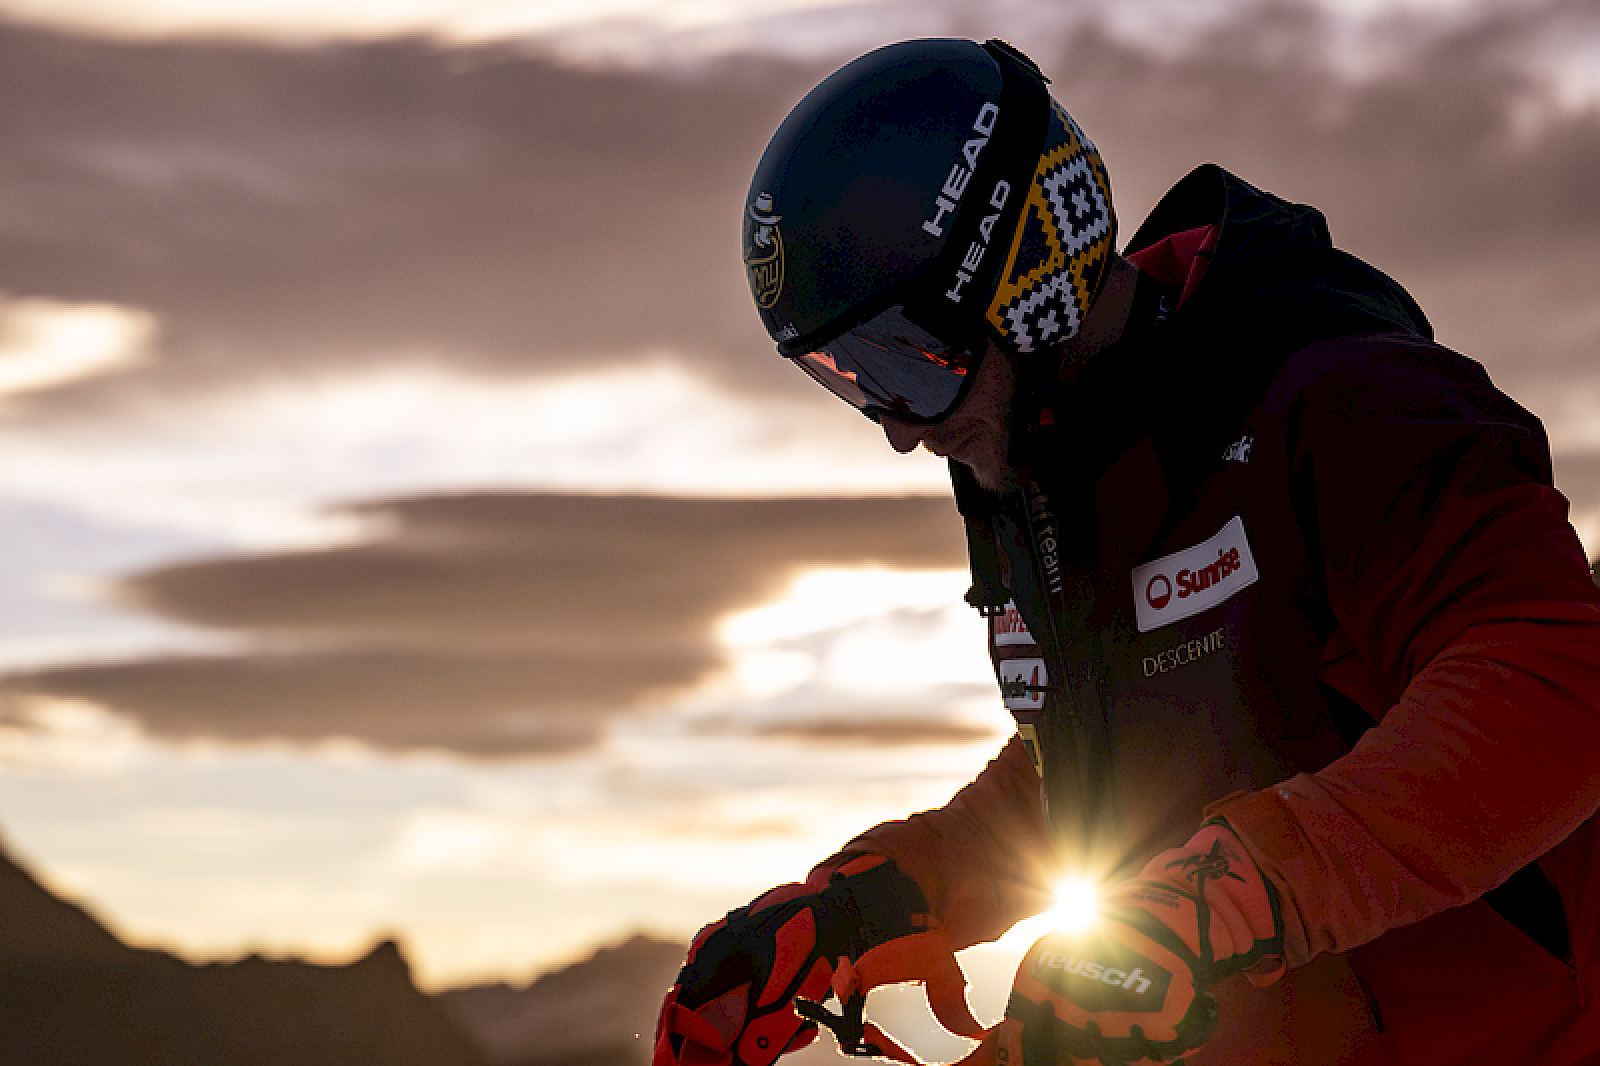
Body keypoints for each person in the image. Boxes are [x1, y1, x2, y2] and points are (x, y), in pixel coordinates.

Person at [652, 38, 1600, 1066]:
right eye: (848, 378)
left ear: (1024, 280)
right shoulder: (1042, 477)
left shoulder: (1341, 401)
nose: (897, 428)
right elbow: (1109, 767)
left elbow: (1551, 677)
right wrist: (876, 897)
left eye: (906, 361)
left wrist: (1224, 898)